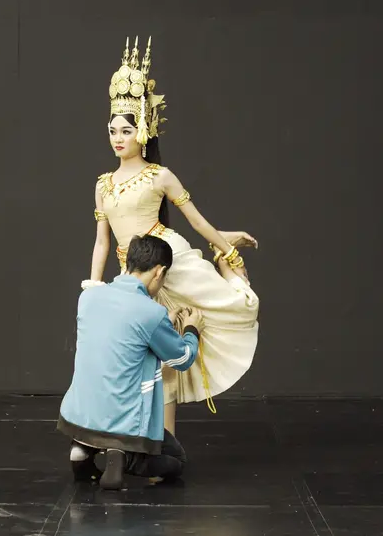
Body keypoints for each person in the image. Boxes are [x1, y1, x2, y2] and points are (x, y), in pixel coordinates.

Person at [81, 36, 260, 435]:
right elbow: (102, 242)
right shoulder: (103, 184)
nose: (117, 138)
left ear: (142, 130)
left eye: (125, 130)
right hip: (131, 275)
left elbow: (195, 221)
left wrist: (225, 247)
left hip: (168, 263)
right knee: (138, 354)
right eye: (112, 130)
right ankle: (139, 438)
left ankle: (166, 444)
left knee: (222, 314)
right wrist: (93, 285)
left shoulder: (159, 175)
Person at [58, 234, 204, 489]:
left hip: (80, 414)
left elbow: (123, 338)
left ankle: (83, 448)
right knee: (176, 460)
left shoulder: (89, 298)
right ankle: (124, 458)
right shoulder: (150, 312)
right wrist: (192, 330)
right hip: (123, 419)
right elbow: (182, 358)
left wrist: (162, 324)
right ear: (159, 272)